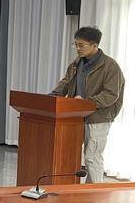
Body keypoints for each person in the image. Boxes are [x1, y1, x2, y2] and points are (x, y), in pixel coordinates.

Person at [51, 26, 125, 183]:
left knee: (92, 157)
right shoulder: (77, 63)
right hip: (76, 116)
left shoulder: (110, 66)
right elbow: (66, 82)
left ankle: (95, 193)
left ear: (94, 45)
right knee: (70, 154)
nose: (77, 48)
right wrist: (53, 96)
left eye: (81, 45)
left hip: (98, 117)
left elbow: (111, 94)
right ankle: (77, 190)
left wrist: (86, 104)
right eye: (75, 44)